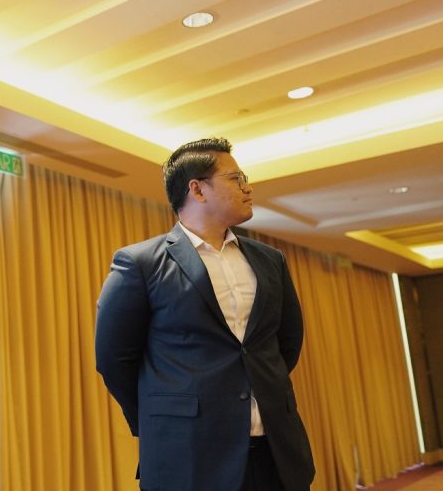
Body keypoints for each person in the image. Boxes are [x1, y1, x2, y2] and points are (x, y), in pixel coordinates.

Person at [94, 137, 314, 491]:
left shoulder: (270, 260)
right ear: (197, 189)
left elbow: (286, 342)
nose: (248, 188)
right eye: (236, 179)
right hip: (189, 454)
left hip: (275, 451)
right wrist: (160, 417)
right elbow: (114, 359)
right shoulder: (140, 263)